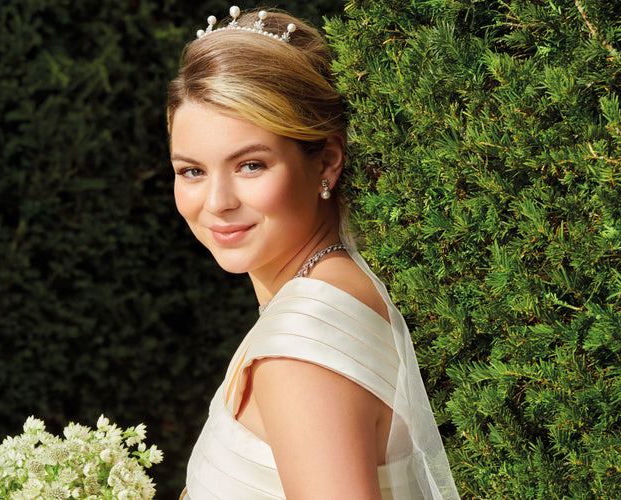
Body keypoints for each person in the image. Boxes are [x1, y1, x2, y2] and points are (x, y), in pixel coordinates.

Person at [167, 6, 460, 499]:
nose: (216, 202)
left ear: (326, 161)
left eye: (250, 165)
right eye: (192, 171)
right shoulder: (336, 291)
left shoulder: (299, 349)